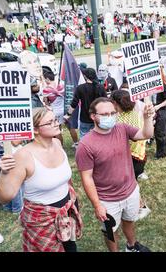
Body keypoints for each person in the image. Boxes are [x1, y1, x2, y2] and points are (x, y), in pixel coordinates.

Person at [0, 108, 82, 252]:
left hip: (66, 212)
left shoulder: (57, 143)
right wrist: (4, 174)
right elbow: (4, 198)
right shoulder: (23, 156)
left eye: (55, 119)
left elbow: (64, 179)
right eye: (50, 122)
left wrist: (72, 201)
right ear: (35, 130)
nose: (57, 124)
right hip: (41, 221)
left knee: (70, 247)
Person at [75, 97, 155, 252]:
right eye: (104, 114)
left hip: (131, 192)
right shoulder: (86, 145)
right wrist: (97, 205)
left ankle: (132, 246)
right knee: (110, 231)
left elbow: (146, 134)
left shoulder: (122, 128)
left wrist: (147, 118)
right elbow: (87, 178)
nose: (110, 117)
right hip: (107, 200)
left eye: (113, 113)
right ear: (93, 116)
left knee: (129, 220)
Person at [110, 90, 152, 219]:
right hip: (139, 154)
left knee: (132, 184)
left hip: (132, 157)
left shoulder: (123, 119)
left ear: (117, 103)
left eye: (113, 103)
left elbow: (130, 138)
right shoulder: (135, 111)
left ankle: (142, 207)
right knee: (131, 182)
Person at [66, 68, 107, 138]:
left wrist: (68, 114)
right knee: (99, 137)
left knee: (84, 137)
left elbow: (74, 103)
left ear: (85, 76)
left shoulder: (80, 88)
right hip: (99, 117)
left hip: (85, 118)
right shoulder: (100, 87)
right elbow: (106, 102)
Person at [42, 70, 65, 144]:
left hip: (54, 111)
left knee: (56, 131)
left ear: (47, 79)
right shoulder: (61, 86)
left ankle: (59, 146)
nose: (44, 81)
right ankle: (60, 145)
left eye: (45, 79)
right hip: (62, 110)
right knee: (59, 128)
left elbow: (46, 102)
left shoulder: (46, 89)